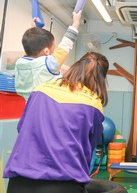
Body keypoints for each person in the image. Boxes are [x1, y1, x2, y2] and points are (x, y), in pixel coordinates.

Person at [4, 52, 109, 193]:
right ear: (101, 79)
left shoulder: (41, 89)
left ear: (75, 67)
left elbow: (22, 128)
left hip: (20, 180)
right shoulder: (92, 102)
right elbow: (90, 146)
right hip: (64, 183)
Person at [15, 11, 82, 101]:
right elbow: (65, 45)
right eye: (53, 48)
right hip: (46, 105)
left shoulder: (20, 62)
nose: (53, 51)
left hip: (29, 105)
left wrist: (34, 30)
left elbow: (31, 45)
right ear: (46, 51)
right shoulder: (49, 63)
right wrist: (76, 23)